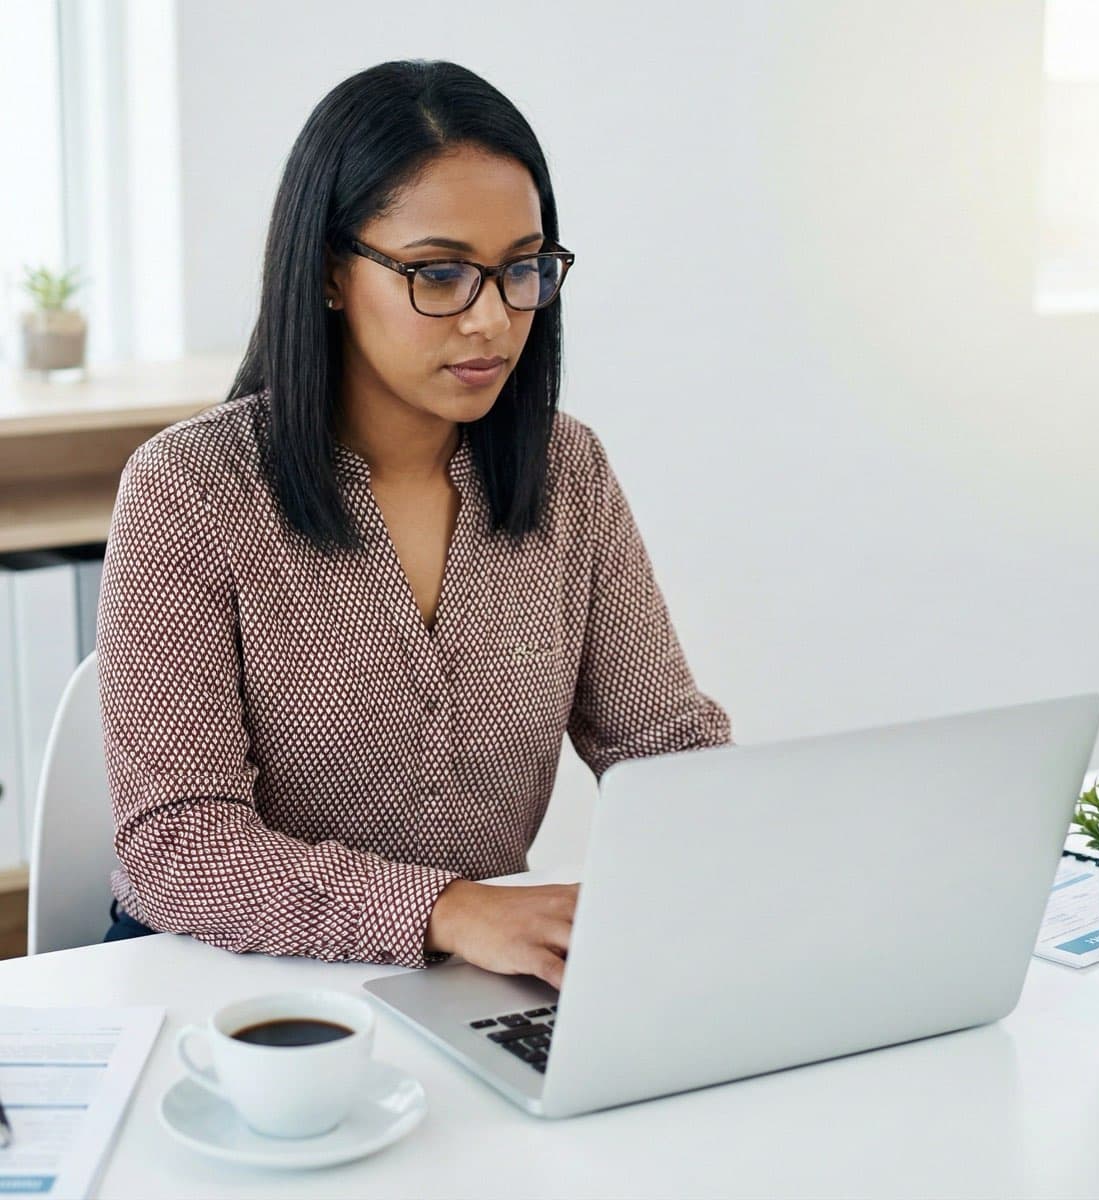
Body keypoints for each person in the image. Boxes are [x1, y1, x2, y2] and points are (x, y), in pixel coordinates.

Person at [96, 60, 733, 989]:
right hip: (221, 989)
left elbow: (661, 745)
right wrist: (444, 908)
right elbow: (177, 843)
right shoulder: (190, 489)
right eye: (438, 273)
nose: (491, 321)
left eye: (521, 269)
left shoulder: (567, 471)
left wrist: (774, 853)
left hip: (463, 979)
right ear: (326, 275)